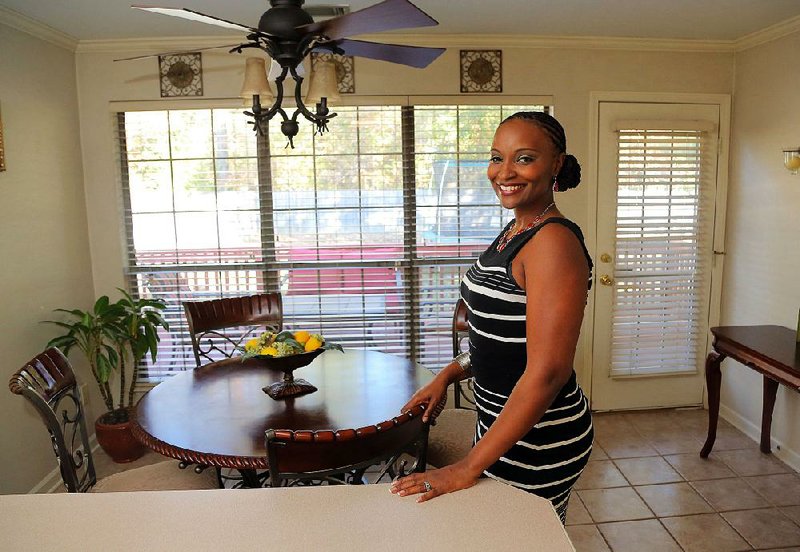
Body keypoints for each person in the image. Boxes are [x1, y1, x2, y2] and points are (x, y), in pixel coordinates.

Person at [390, 111, 593, 523]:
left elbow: (547, 373)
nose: (504, 172)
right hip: (501, 425)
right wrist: (448, 373)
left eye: (524, 158)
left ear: (556, 164)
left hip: (539, 438)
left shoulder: (552, 242)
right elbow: (500, 341)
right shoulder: (516, 229)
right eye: (496, 157)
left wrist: (466, 467)